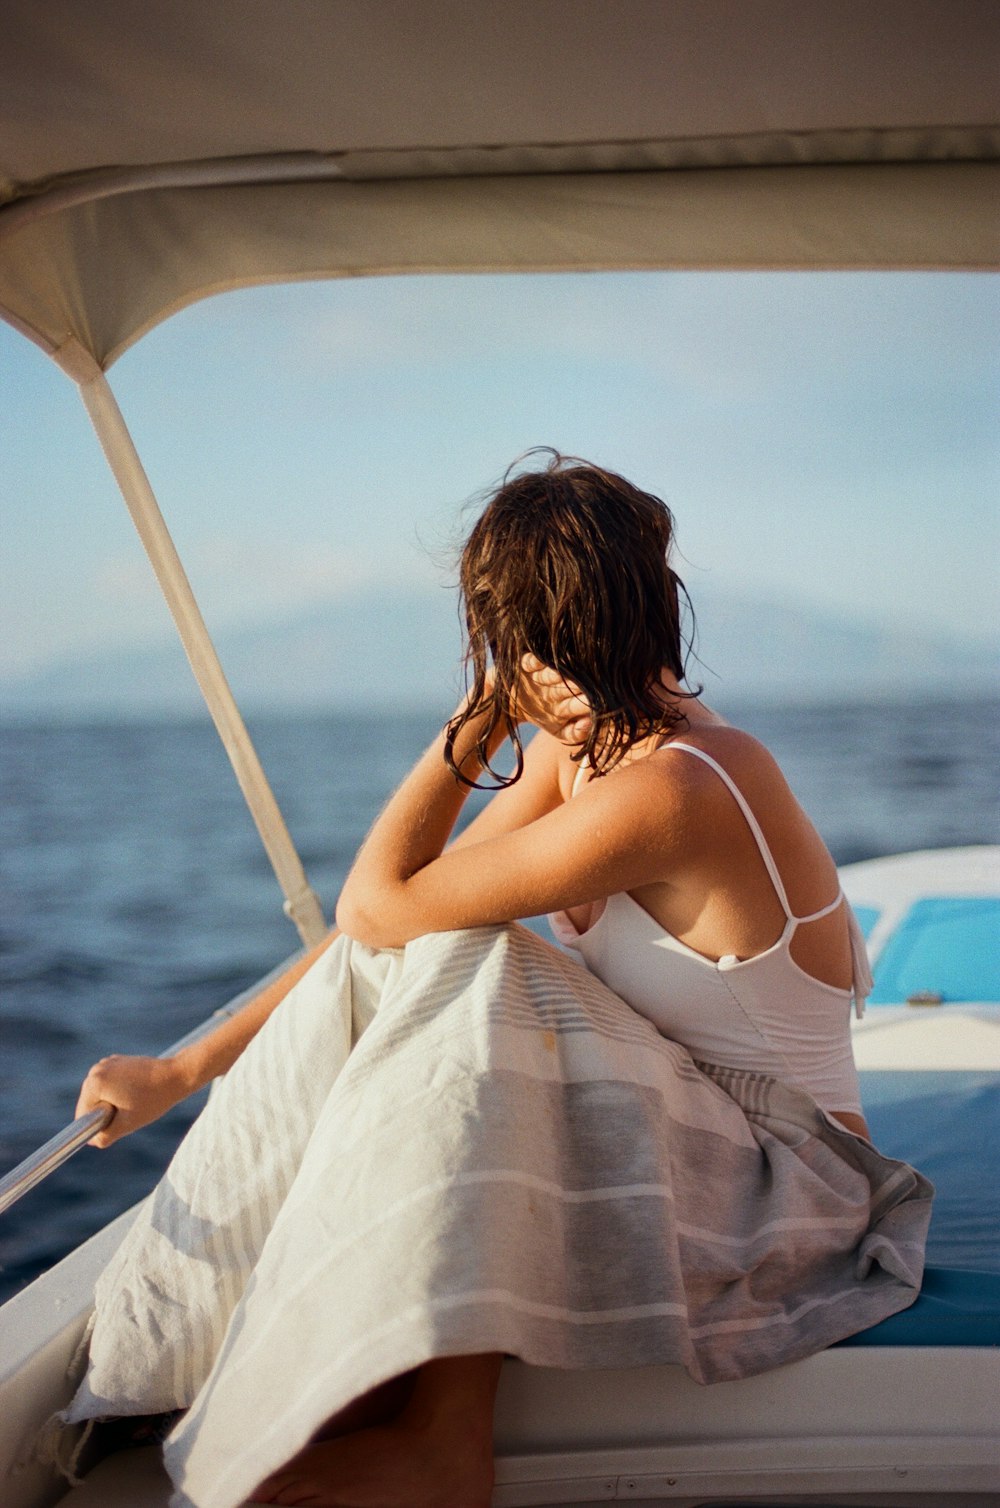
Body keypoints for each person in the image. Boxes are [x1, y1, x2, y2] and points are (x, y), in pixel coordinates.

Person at [69, 454, 931, 1508]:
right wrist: (182, 1067)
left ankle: (439, 1440)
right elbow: (398, 917)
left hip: (796, 1188)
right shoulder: (590, 763)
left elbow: (375, 903)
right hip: (696, 1141)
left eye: (512, 636)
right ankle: (305, 1376)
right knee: (460, 945)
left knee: (484, 963)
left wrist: (477, 717)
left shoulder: (680, 785)